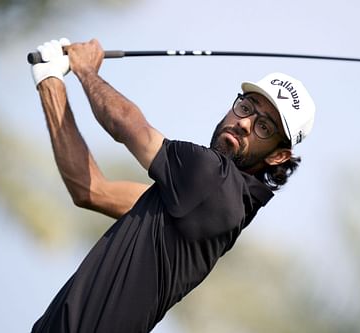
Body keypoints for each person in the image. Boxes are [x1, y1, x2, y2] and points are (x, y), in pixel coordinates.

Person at [30, 38, 316, 333]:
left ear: (278, 156)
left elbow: (125, 123)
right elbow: (91, 190)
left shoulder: (212, 177)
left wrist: (86, 69)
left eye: (264, 127)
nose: (244, 123)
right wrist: (50, 81)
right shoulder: (201, 201)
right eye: (246, 107)